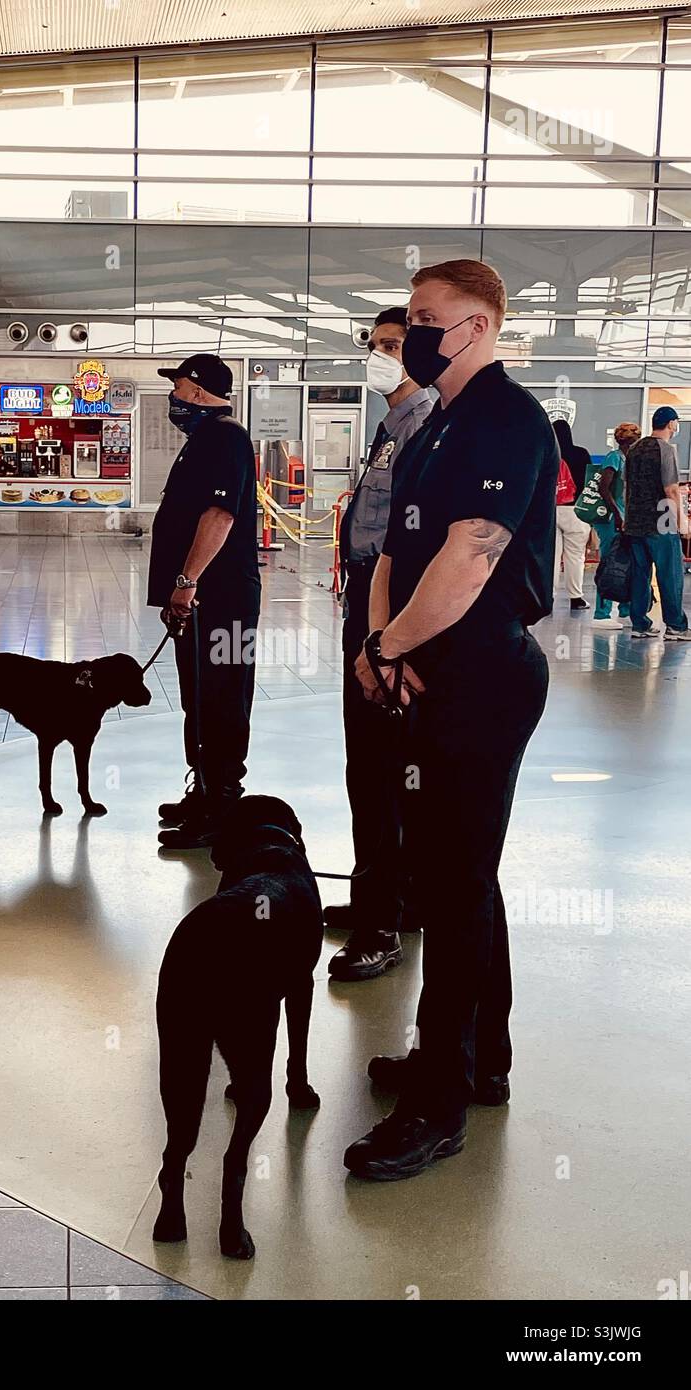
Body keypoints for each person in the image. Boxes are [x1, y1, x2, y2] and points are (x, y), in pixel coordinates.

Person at [342, 259, 556, 1182]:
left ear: (476, 326)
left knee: (456, 886)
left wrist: (390, 652)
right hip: (421, 668)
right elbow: (396, 548)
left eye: (427, 320)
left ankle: (440, 1101)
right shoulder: (433, 425)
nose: (410, 335)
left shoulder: (508, 421)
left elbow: (469, 562)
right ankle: (478, 1064)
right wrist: (378, 639)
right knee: (455, 877)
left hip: (480, 677)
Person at [327, 308, 433, 983]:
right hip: (370, 596)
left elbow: (412, 546)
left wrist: (387, 639)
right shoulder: (391, 427)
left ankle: (381, 923)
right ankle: (391, 897)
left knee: (379, 769)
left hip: (391, 610)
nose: (380, 357)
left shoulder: (424, 427)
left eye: (393, 346)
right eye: (375, 346)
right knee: (376, 767)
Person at [147, 353, 262, 848]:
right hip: (202, 598)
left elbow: (220, 515)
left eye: (176, 387)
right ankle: (205, 787)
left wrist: (187, 579)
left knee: (222, 694)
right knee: (199, 694)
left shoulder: (225, 436)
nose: (172, 397)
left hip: (223, 598)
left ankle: (222, 802)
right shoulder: (204, 439)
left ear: (195, 390)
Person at [625, 406, 690, 641]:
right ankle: (676, 626)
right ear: (671, 424)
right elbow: (671, 489)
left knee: (640, 575)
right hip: (661, 522)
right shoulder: (666, 449)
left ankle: (640, 623)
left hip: (635, 522)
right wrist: (682, 522)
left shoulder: (634, 449)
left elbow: (628, 487)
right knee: (670, 574)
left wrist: (627, 519)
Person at [580, 421, 640, 630]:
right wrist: (617, 514)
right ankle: (602, 612)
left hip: (624, 517)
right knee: (609, 563)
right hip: (612, 520)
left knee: (623, 561)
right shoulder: (614, 458)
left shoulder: (627, 459)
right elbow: (603, 487)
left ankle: (624, 608)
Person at [552, 418, 592, 612]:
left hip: (551, 511)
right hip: (576, 511)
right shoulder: (581, 454)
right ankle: (576, 598)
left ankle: (548, 597)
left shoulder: (548, 453)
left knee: (552, 556)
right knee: (575, 556)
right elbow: (591, 483)